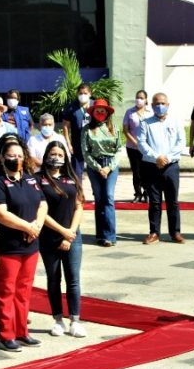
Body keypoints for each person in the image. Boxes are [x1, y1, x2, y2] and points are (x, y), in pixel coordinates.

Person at [0, 135, 48, 351]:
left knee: (24, 290)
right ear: (1, 157)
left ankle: (22, 331)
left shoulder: (29, 178)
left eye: (19, 155)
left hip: (30, 244)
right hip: (7, 245)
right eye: (11, 155)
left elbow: (42, 204)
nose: (16, 159)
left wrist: (36, 226)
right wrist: (27, 227)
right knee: (5, 290)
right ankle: (7, 334)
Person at [37, 141, 87, 338]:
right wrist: (61, 231)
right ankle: (58, 319)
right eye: (53, 153)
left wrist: (70, 232)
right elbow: (40, 211)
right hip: (49, 236)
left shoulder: (71, 179)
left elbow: (79, 206)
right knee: (54, 278)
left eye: (60, 154)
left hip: (72, 235)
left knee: (73, 279)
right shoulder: (38, 180)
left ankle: (75, 319)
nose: (56, 157)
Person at [137, 92, 187, 244]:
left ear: (168, 105)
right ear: (152, 106)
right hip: (152, 166)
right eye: (157, 103)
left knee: (173, 201)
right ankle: (154, 232)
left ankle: (175, 232)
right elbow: (142, 143)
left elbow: (181, 143)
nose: (160, 106)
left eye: (163, 103)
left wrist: (167, 158)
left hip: (171, 166)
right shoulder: (145, 123)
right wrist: (156, 157)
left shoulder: (176, 122)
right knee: (155, 201)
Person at [82, 98, 122, 247]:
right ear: (93, 113)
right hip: (94, 166)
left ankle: (110, 236)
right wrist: (98, 168)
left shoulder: (114, 128)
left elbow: (119, 149)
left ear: (107, 113)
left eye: (102, 110)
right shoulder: (87, 129)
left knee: (109, 197)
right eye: (97, 110)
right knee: (99, 199)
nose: (100, 113)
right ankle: (100, 235)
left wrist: (108, 167)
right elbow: (85, 152)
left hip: (110, 165)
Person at [124, 90, 153, 203]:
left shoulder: (150, 113)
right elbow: (126, 130)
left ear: (146, 100)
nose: (139, 99)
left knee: (146, 171)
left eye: (141, 97)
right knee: (136, 172)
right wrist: (135, 142)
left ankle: (147, 193)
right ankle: (137, 194)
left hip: (146, 148)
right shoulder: (129, 112)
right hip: (132, 147)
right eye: (137, 97)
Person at [61, 83, 94, 178]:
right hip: (77, 144)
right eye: (80, 93)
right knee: (76, 172)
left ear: (90, 94)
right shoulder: (71, 107)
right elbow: (65, 126)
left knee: (94, 171)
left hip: (93, 144)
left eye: (85, 93)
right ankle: (78, 192)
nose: (83, 95)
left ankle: (96, 192)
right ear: (77, 94)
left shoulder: (95, 105)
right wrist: (68, 144)